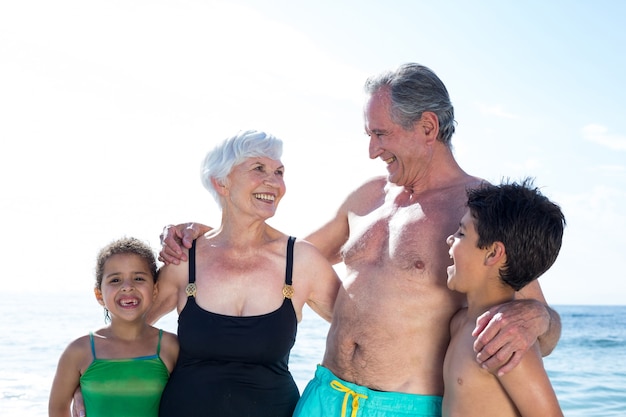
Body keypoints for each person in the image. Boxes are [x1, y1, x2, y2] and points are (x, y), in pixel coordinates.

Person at [159, 64, 562, 417]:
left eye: (380, 135)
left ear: (427, 127)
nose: (372, 151)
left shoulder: (479, 210)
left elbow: (542, 327)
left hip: (405, 406)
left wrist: (538, 317)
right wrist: (211, 235)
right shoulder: (368, 197)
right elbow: (280, 254)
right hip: (324, 396)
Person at [150, 130, 339, 417]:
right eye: (258, 169)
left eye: (279, 172)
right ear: (221, 183)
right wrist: (83, 384)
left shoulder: (301, 260)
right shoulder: (184, 258)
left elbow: (362, 330)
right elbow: (126, 331)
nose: (273, 182)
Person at [443, 178, 565, 417]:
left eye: (461, 233)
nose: (449, 239)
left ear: (493, 254)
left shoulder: (505, 342)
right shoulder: (459, 323)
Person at [49, 237, 179, 417]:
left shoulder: (170, 346)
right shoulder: (78, 351)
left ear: (155, 290)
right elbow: (57, 410)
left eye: (139, 278)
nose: (127, 287)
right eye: (115, 280)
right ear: (99, 294)